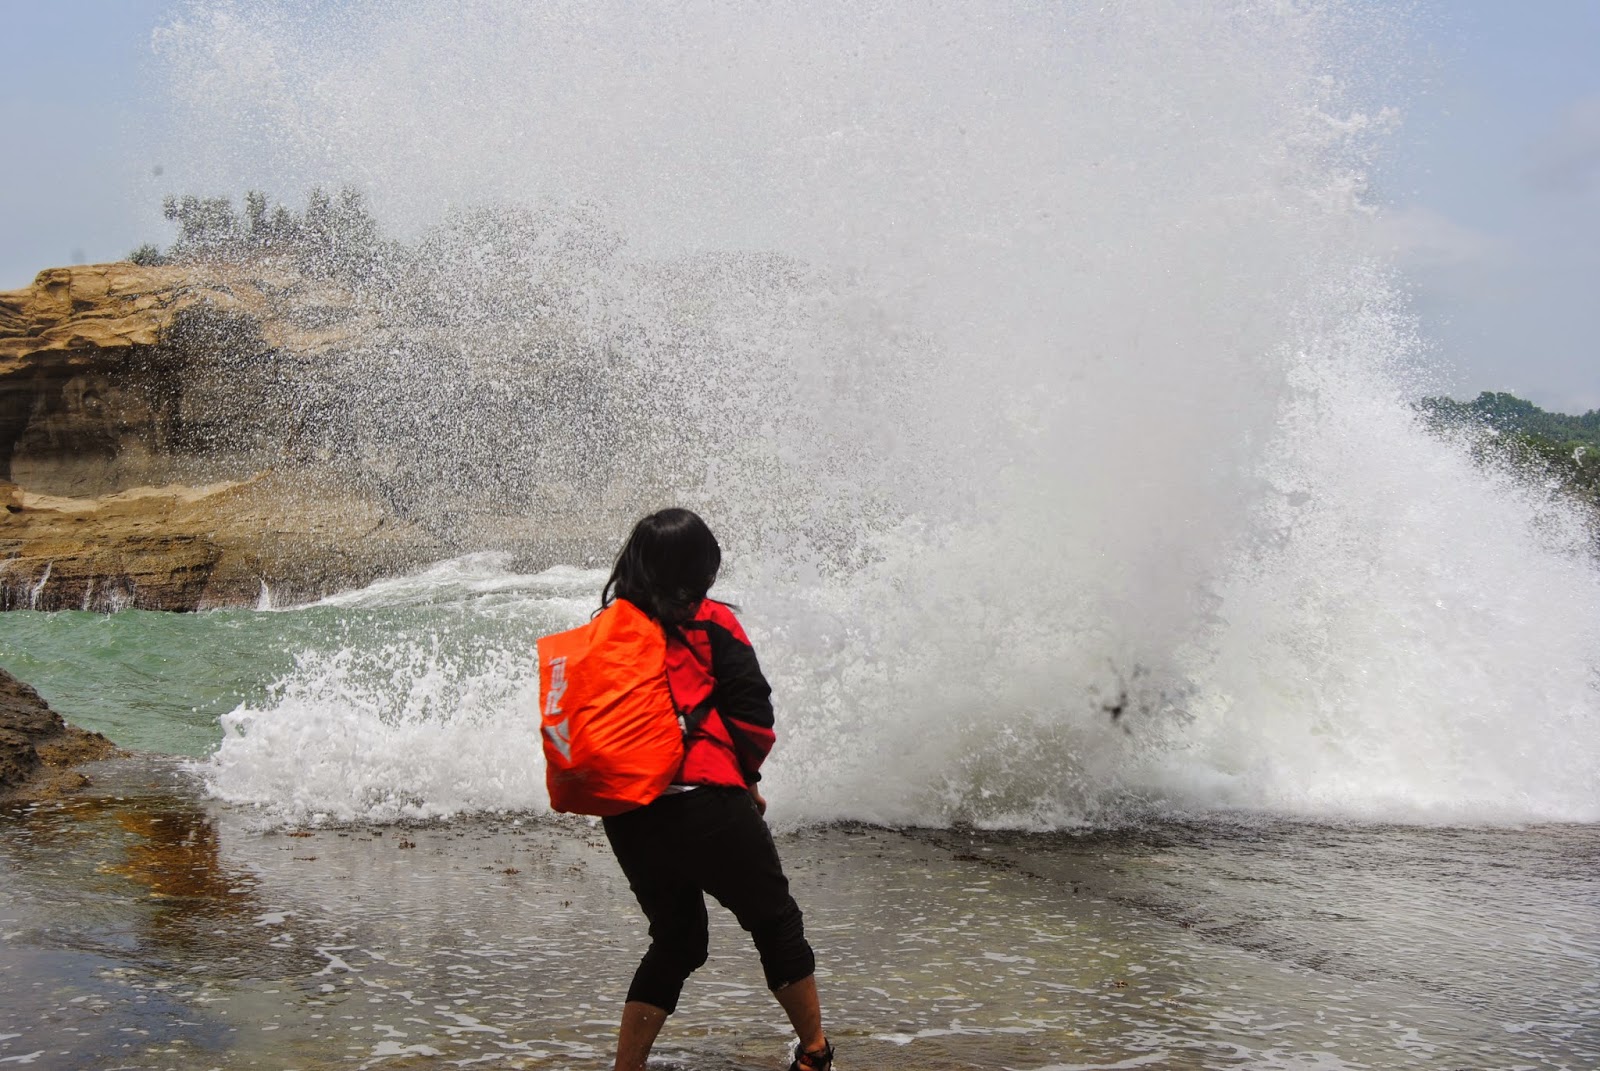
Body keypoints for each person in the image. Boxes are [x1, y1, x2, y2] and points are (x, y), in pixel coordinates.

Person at [597, 508, 833, 1071]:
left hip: (628, 811)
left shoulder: (607, 625)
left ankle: (625, 1069)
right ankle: (815, 1055)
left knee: (676, 941)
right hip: (706, 801)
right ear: (700, 567)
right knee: (776, 922)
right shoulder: (710, 622)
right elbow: (753, 717)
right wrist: (747, 780)